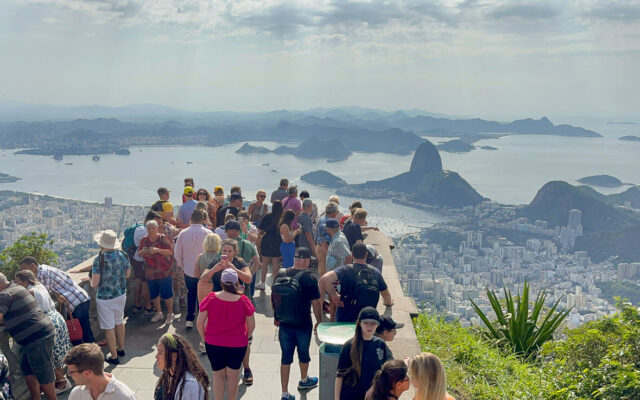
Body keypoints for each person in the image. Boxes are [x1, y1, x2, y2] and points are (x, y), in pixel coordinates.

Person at [272, 247, 322, 400]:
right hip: (303, 324)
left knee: (285, 357)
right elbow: (316, 303)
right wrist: (319, 321)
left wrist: (276, 316)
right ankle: (304, 380)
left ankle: (284, 393)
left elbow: (274, 297)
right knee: (303, 354)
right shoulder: (310, 278)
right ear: (306, 260)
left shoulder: (281, 273)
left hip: (284, 324)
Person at [197, 269, 255, 400]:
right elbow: (252, 325)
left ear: (221, 281)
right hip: (237, 344)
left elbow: (199, 322)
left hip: (214, 343)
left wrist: (204, 337)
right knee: (233, 376)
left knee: (218, 376)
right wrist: (245, 337)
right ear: (237, 283)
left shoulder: (210, 298)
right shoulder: (243, 300)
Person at [0, 272, 57, 400]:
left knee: (43, 372)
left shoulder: (4, 295)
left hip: (37, 337)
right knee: (27, 370)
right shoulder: (17, 288)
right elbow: (14, 313)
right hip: (37, 334)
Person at [15, 270, 72, 393]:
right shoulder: (39, 285)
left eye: (17, 282)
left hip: (47, 322)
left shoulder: (29, 292)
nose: (16, 285)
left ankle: (61, 382)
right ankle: (61, 380)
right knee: (57, 353)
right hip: (56, 318)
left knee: (51, 355)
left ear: (26, 282)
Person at [19, 256, 95, 344]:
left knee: (83, 333)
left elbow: (44, 293)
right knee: (86, 330)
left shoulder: (42, 274)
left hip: (75, 301)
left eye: (24, 269)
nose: (23, 272)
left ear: (32, 266)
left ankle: (91, 353)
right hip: (80, 297)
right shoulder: (45, 269)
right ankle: (93, 352)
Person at [320, 243, 393, 323]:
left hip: (344, 319)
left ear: (352, 254)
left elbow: (324, 279)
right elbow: (386, 294)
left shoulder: (345, 270)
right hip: (366, 320)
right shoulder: (375, 272)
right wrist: (388, 304)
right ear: (366, 254)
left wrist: (334, 295)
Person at [91, 229, 131, 365]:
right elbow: (128, 274)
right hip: (120, 294)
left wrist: (90, 280)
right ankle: (121, 348)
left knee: (109, 327)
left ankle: (113, 356)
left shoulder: (99, 259)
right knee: (119, 322)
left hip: (104, 297)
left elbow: (95, 283)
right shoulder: (123, 255)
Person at [335, 307, 392, 400]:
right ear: (360, 323)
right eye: (366, 323)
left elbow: (387, 371)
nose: (369, 327)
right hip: (350, 396)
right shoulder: (349, 346)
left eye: (373, 323)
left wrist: (374, 387)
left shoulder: (380, 344)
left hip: (372, 396)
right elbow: (339, 376)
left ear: (377, 325)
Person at [175, 209, 211, 328]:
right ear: (203, 219)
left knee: (191, 293)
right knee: (205, 295)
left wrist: (181, 265)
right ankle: (204, 319)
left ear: (191, 219)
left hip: (188, 269)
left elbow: (177, 253)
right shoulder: (208, 233)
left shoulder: (183, 233)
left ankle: (190, 318)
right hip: (204, 269)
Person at [65, 343, 137, 400]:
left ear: (87, 373)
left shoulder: (124, 397)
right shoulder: (77, 393)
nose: (69, 375)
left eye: (71, 372)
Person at [138, 220, 175, 324]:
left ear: (157, 228)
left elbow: (170, 251)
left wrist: (157, 250)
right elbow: (139, 253)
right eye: (149, 228)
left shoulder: (162, 238)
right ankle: (159, 313)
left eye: (153, 228)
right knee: (154, 294)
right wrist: (144, 251)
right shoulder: (144, 240)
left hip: (164, 271)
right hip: (151, 272)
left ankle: (170, 314)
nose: (151, 230)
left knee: (167, 294)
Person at [154, 333, 209, 400]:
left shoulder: (189, 385)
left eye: (160, 353)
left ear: (174, 356)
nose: (156, 356)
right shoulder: (169, 375)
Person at [224, 220, 260, 299]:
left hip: (228, 280)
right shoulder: (247, 244)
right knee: (243, 302)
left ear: (231, 231)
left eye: (226, 231)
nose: (225, 233)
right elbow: (257, 263)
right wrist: (249, 274)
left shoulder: (225, 246)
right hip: (243, 280)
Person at [130, 212, 154, 315]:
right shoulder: (143, 230)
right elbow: (145, 245)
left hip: (135, 259)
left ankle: (137, 305)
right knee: (145, 283)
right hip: (142, 259)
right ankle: (148, 306)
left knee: (138, 281)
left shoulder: (138, 228)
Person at [256, 200, 283, 289]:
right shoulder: (282, 218)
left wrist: (258, 240)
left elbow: (260, 229)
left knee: (265, 263)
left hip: (267, 241)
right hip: (277, 242)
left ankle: (262, 282)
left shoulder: (268, 216)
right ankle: (275, 283)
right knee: (276, 263)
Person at [315, 202, 340, 276]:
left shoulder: (321, 219)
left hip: (318, 246)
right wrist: (328, 253)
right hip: (324, 248)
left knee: (321, 265)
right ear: (334, 212)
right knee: (325, 267)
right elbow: (324, 240)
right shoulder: (327, 222)